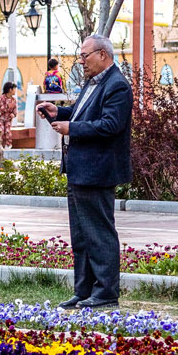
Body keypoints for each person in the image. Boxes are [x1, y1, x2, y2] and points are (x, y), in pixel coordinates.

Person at [37, 34, 133, 311]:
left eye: (84, 56)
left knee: (99, 233)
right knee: (81, 235)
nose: (81, 61)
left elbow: (109, 125)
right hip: (80, 168)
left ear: (102, 54)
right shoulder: (94, 83)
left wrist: (72, 128)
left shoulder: (117, 86)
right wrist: (60, 113)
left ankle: (105, 292)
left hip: (98, 170)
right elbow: (83, 115)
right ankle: (84, 290)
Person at [0, 82, 18, 147]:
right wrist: (7, 107)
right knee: (1, 132)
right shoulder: (1, 98)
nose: (15, 91)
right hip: (1, 119)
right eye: (14, 89)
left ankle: (8, 146)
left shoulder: (14, 100)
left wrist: (13, 115)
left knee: (8, 133)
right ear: (10, 89)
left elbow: (15, 111)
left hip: (8, 120)